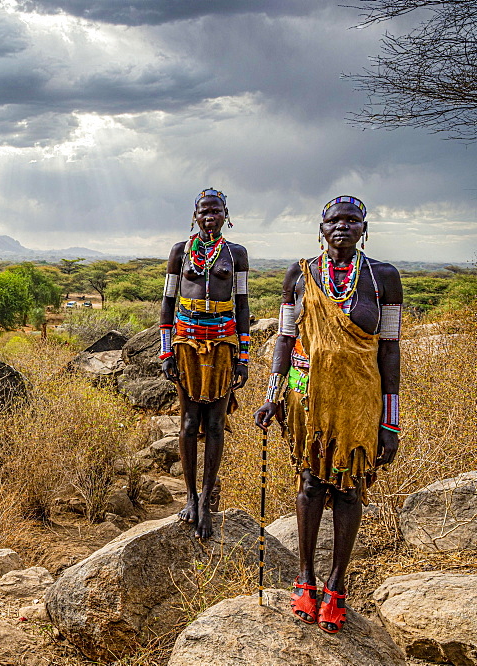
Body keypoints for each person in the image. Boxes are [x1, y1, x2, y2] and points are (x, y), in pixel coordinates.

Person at [254, 195, 402, 634]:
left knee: (350, 488)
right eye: (334, 220)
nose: (342, 227)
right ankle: (305, 579)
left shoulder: (383, 278)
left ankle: (336, 585)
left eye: (351, 220)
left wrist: (390, 420)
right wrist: (271, 394)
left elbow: (390, 349)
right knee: (310, 482)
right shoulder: (300, 276)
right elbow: (283, 338)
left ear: (364, 227)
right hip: (305, 396)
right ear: (321, 227)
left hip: (360, 398)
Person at [160, 188, 250, 539]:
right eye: (203, 211)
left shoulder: (236, 254)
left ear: (226, 213)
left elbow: (242, 304)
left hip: (223, 343)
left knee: (215, 424)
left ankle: (208, 501)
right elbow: (167, 302)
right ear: (195, 215)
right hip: (185, 341)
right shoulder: (180, 252)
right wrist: (166, 351)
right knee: (186, 421)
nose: (209, 216)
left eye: (215, 211)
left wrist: (243, 356)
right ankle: (190, 497)